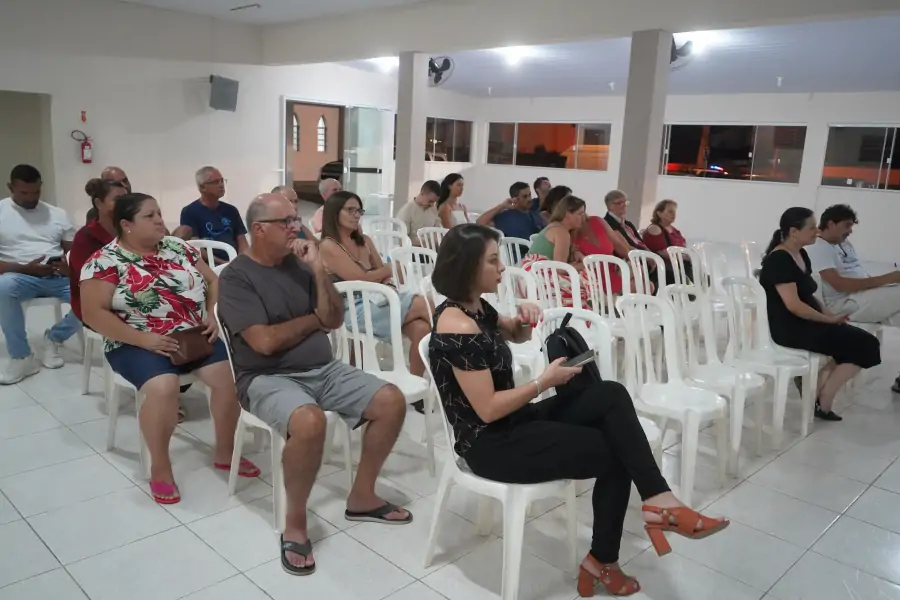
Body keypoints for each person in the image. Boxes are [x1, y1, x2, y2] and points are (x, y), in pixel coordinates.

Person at [428, 224, 729, 597]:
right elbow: (487, 410)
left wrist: (524, 319)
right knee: (616, 451)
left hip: (512, 421)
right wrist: (544, 382)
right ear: (468, 267)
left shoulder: (475, 307)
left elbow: (515, 333)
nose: (503, 268)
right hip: (489, 443)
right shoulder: (457, 326)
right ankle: (606, 558)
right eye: (493, 261)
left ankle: (657, 500)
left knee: (611, 395)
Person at [218, 193, 412, 576]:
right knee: (309, 421)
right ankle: (294, 523)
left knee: (391, 400)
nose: (297, 227)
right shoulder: (237, 277)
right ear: (259, 229)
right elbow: (265, 342)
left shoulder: (300, 265)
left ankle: (362, 496)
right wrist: (313, 321)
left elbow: (334, 318)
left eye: (296, 219)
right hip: (266, 377)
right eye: (287, 222)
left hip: (323, 368)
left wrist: (319, 270)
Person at [80, 192, 258, 503]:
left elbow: (214, 281)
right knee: (164, 387)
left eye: (159, 213)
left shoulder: (177, 247)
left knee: (229, 377)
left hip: (191, 335)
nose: (160, 220)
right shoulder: (104, 262)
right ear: (127, 224)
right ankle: (160, 466)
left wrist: (211, 313)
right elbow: (93, 314)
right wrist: (144, 339)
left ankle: (225, 451)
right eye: (149, 216)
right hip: (134, 341)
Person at [759, 207, 881, 421]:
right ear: (793, 232)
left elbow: (808, 296)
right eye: (812, 228)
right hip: (790, 328)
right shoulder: (779, 260)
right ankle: (823, 399)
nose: (817, 231)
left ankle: (817, 392)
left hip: (807, 321)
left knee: (862, 342)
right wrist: (827, 320)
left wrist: (830, 315)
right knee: (865, 344)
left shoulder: (801, 254)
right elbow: (794, 305)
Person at [318, 191, 432, 385]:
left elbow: (382, 274)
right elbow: (360, 278)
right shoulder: (329, 245)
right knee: (423, 303)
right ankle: (462, 346)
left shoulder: (365, 241)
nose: (356, 215)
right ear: (334, 213)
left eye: (359, 211)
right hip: (352, 308)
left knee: (422, 328)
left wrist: (385, 274)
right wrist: (388, 269)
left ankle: (415, 382)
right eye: (350, 210)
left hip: (377, 299)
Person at [0, 164, 82, 384]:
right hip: (19, 276)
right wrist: (25, 268)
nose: (31, 198)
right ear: (11, 187)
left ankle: (54, 338)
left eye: (36, 192)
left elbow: (74, 252)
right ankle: (22, 357)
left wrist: (68, 265)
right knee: (3, 287)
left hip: (57, 275)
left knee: (93, 295)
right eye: (24, 193)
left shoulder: (57, 214)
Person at [805, 204, 900, 392]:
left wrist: (881, 286)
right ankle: (821, 381)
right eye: (847, 225)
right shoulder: (818, 247)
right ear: (831, 224)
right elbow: (839, 284)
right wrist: (888, 278)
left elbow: (859, 275)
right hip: (843, 304)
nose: (850, 231)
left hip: (862, 297)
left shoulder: (844, 244)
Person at [69, 178, 127, 323]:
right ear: (99, 203)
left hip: (128, 295)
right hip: (95, 303)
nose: (124, 205)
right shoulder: (85, 237)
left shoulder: (130, 231)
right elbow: (89, 281)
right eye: (117, 200)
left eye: (126, 200)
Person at [520, 195, 590, 307]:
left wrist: (574, 252)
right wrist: (585, 264)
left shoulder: (555, 226)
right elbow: (560, 269)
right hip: (539, 281)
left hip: (527, 280)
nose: (584, 217)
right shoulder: (561, 232)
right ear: (567, 214)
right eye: (580, 213)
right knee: (586, 280)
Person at [180, 166, 249, 261]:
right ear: (202, 187)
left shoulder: (231, 210)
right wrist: (222, 263)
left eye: (222, 181)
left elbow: (242, 241)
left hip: (234, 263)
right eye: (216, 182)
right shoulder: (189, 212)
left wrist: (241, 262)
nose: (221, 185)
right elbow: (195, 247)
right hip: (210, 265)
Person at [573, 209, 631, 295]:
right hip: (595, 278)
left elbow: (618, 245)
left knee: (642, 276)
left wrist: (633, 261)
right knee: (641, 287)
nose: (582, 216)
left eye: (582, 212)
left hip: (613, 269)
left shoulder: (597, 221)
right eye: (578, 213)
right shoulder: (568, 234)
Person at [642, 199, 692, 284]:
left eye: (674, 212)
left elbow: (683, 247)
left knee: (705, 279)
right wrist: (685, 257)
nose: (673, 215)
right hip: (664, 269)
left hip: (679, 266)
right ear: (659, 213)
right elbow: (663, 253)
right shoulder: (655, 229)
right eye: (670, 211)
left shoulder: (675, 231)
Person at [477, 182, 545, 241]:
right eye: (525, 196)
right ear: (515, 199)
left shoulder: (535, 214)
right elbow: (479, 222)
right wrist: (502, 206)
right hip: (518, 251)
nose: (529, 199)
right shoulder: (505, 217)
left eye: (529, 195)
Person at [396, 180, 441, 245]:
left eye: (434, 202)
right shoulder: (406, 211)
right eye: (430, 201)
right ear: (422, 193)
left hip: (432, 247)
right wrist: (425, 243)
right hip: (413, 249)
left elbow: (438, 230)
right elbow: (402, 240)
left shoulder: (433, 209)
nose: (432, 205)